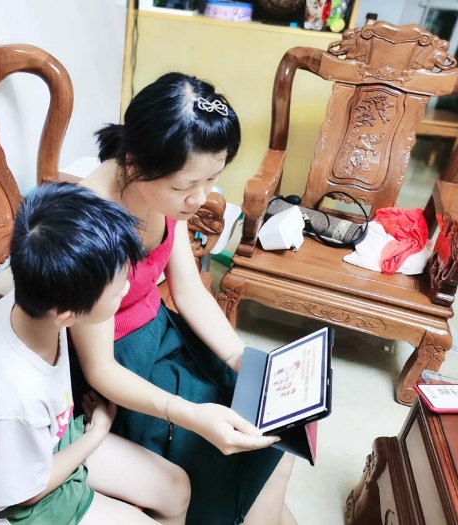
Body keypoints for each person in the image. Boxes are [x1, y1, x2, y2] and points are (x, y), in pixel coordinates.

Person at [70, 73, 297, 525]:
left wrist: (240, 357)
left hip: (163, 335)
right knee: (237, 445)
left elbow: (188, 290)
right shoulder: (91, 229)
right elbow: (100, 369)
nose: (199, 198)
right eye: (183, 187)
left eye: (213, 179)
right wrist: (191, 415)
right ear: (134, 161)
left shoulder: (159, 189)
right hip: (119, 371)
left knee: (279, 426)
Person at [0, 183, 191, 525]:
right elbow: (24, 493)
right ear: (68, 315)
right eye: (117, 290)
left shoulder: (33, 304)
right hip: (10, 505)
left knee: (177, 487)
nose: (128, 288)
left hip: (43, 445)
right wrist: (97, 433)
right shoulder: (16, 394)